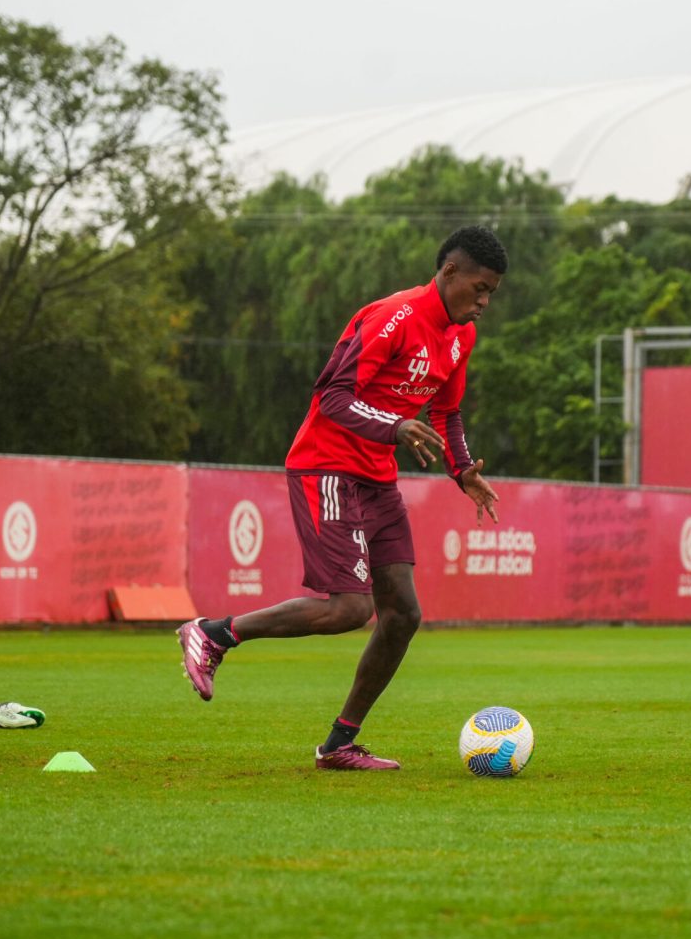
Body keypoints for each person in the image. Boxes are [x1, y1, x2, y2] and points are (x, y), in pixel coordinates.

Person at [177, 226, 506, 769]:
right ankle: (214, 634)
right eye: (480, 288)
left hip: (377, 478)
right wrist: (394, 426)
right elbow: (332, 394)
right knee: (350, 608)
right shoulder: (393, 317)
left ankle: (338, 745)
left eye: (491, 292)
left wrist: (462, 470)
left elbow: (446, 412)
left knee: (402, 613)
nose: (485, 302)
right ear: (450, 272)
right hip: (326, 466)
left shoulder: (459, 337)